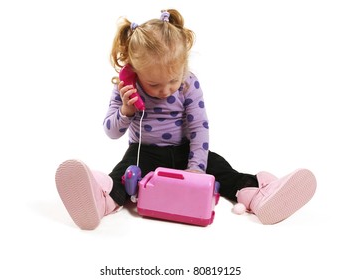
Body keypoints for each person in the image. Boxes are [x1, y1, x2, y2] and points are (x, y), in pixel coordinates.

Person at [55, 9, 316, 230]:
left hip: (185, 151)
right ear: (133, 71)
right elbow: (111, 132)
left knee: (222, 168)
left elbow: (199, 128)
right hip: (143, 152)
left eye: (172, 80)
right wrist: (127, 110)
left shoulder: (188, 84)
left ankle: (257, 195)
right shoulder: (125, 90)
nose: (165, 89)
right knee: (123, 176)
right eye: (154, 83)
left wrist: (196, 168)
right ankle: (101, 200)